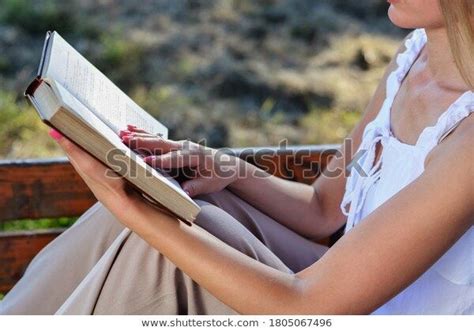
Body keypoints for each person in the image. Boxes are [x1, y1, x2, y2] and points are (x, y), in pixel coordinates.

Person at [1, 0, 472, 314]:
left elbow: (309, 308)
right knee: (164, 205)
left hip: (340, 308)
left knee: (158, 248)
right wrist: (224, 168)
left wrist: (127, 201)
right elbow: (324, 210)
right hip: (333, 286)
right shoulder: (412, 60)